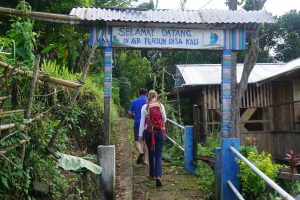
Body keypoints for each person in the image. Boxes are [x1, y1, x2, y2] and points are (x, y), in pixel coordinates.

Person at [139, 90, 166, 187]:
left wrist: (140, 135)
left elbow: (142, 122)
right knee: (158, 155)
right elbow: (165, 119)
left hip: (149, 132)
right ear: (156, 96)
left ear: (148, 96)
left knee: (151, 153)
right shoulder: (160, 105)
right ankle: (158, 176)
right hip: (159, 132)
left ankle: (151, 174)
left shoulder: (145, 107)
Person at [128, 88, 148, 164]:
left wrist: (134, 114)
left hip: (137, 122)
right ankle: (146, 160)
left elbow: (129, 113)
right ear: (146, 94)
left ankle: (140, 151)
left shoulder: (134, 101)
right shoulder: (148, 101)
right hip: (146, 123)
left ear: (139, 93)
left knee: (137, 140)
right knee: (145, 141)